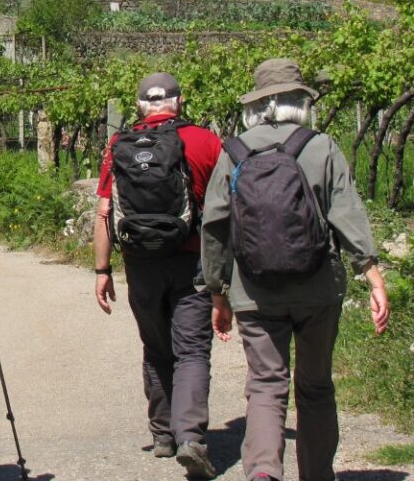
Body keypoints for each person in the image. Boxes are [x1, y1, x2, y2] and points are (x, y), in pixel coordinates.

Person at [201, 58, 390, 481]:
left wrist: (217, 290)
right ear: (300, 102)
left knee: (266, 384)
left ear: (257, 105)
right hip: (317, 287)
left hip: (254, 290)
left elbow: (214, 224)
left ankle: (263, 473)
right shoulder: (321, 147)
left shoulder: (234, 151)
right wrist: (372, 274)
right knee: (315, 385)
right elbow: (346, 213)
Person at [93, 72, 222, 478]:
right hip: (192, 260)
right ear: (179, 102)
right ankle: (190, 437)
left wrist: (102, 270)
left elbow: (104, 212)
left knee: (155, 346)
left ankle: (163, 434)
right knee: (192, 350)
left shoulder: (119, 145)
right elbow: (224, 209)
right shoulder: (205, 141)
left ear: (139, 106)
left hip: (140, 262)